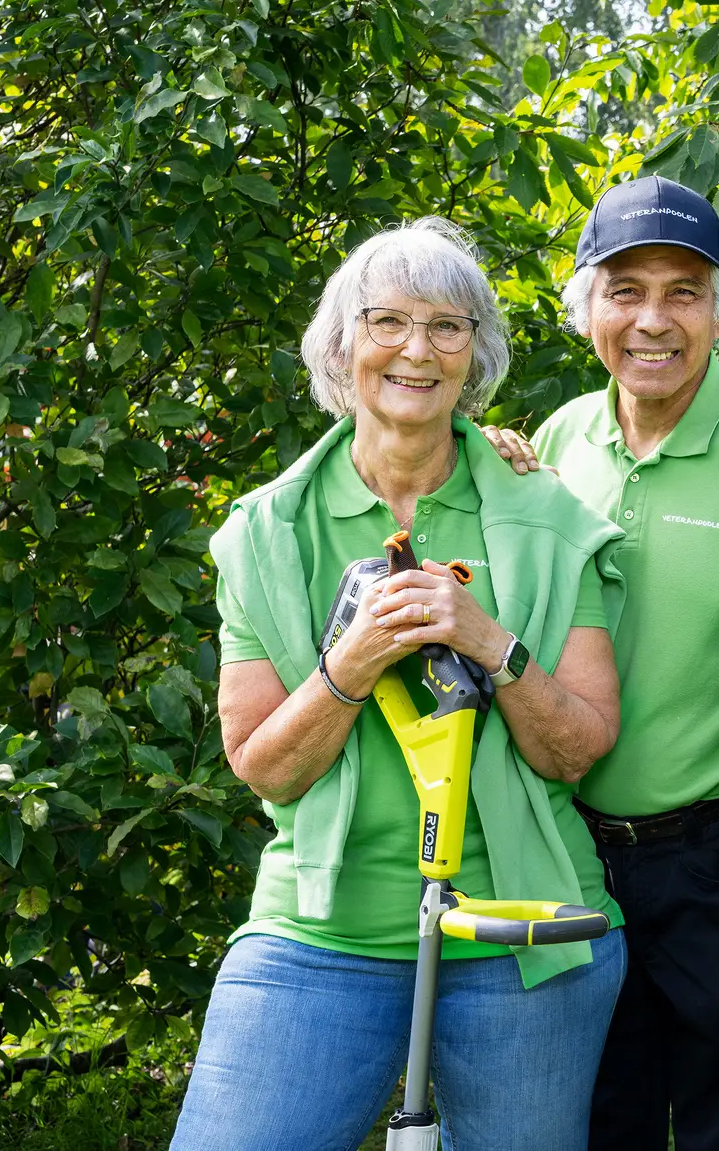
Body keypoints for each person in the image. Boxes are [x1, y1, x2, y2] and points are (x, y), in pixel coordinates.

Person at [173, 217, 630, 1151]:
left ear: (477, 355)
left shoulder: (548, 518)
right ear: (343, 344)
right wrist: (350, 663)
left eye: (449, 326)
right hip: (323, 931)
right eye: (388, 321)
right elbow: (266, 767)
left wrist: (490, 643)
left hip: (522, 930)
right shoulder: (267, 532)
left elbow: (578, 746)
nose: (417, 349)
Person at [483, 175, 719, 1150]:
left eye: (683, 291)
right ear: (584, 309)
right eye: (625, 290)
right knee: (593, 1116)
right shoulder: (559, 444)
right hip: (570, 852)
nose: (653, 320)